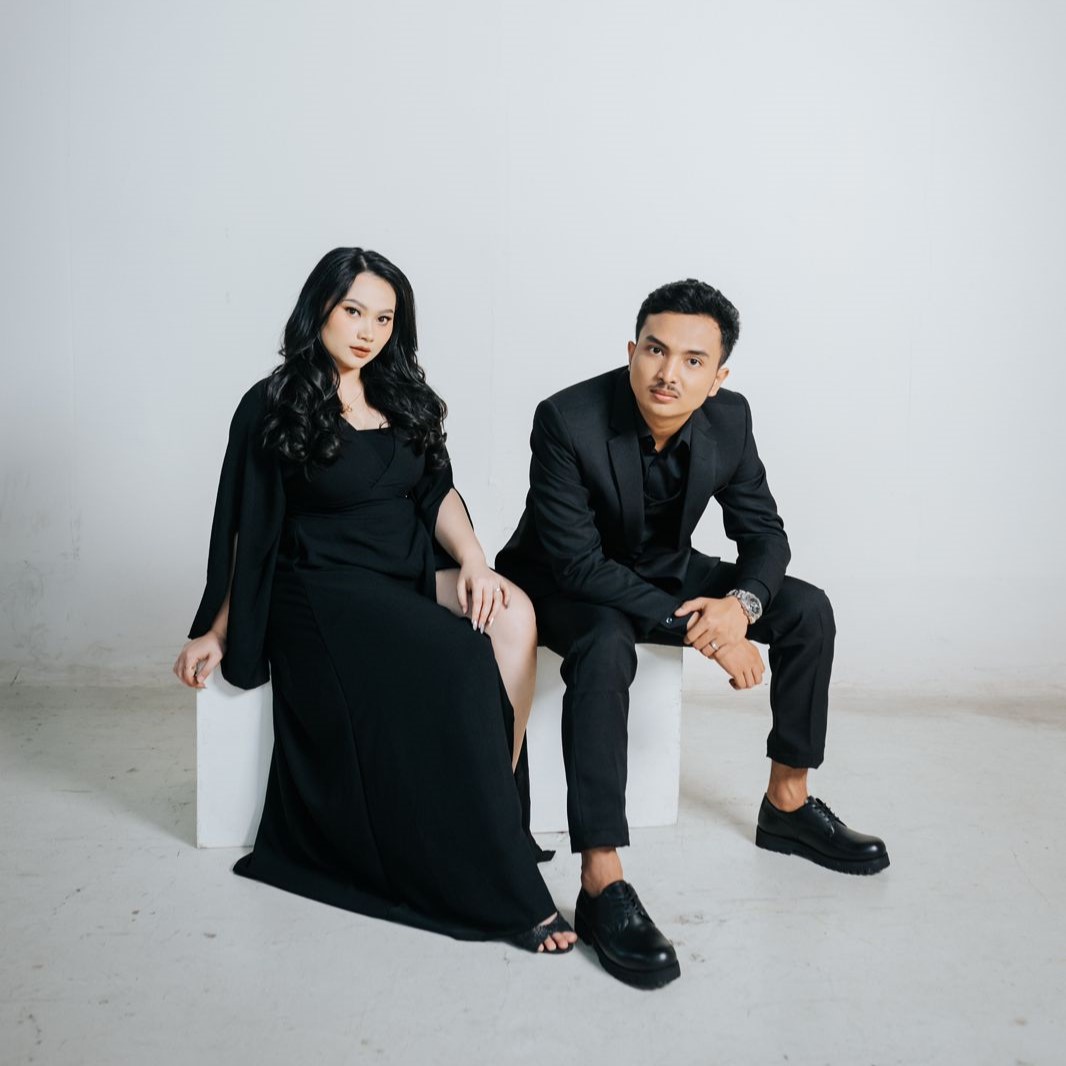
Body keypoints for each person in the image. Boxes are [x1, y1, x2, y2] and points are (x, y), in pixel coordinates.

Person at [173, 247, 575, 953]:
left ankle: (491, 816)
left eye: (384, 318)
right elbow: (246, 528)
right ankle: (499, 875)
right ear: (320, 310)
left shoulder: (402, 394)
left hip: (405, 567)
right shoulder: (274, 401)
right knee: (460, 658)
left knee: (513, 614)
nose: (367, 331)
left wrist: (474, 562)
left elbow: (436, 491)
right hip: (322, 586)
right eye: (353, 311)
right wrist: (217, 628)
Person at [495, 277, 889, 987]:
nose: (668, 373)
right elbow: (579, 565)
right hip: (561, 582)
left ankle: (787, 804)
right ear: (631, 351)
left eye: (692, 360)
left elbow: (764, 534)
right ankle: (601, 880)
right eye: (655, 350)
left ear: (718, 377)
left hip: (664, 569)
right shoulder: (566, 419)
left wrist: (740, 605)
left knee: (807, 609)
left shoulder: (730, 420)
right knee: (606, 643)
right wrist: (711, 634)